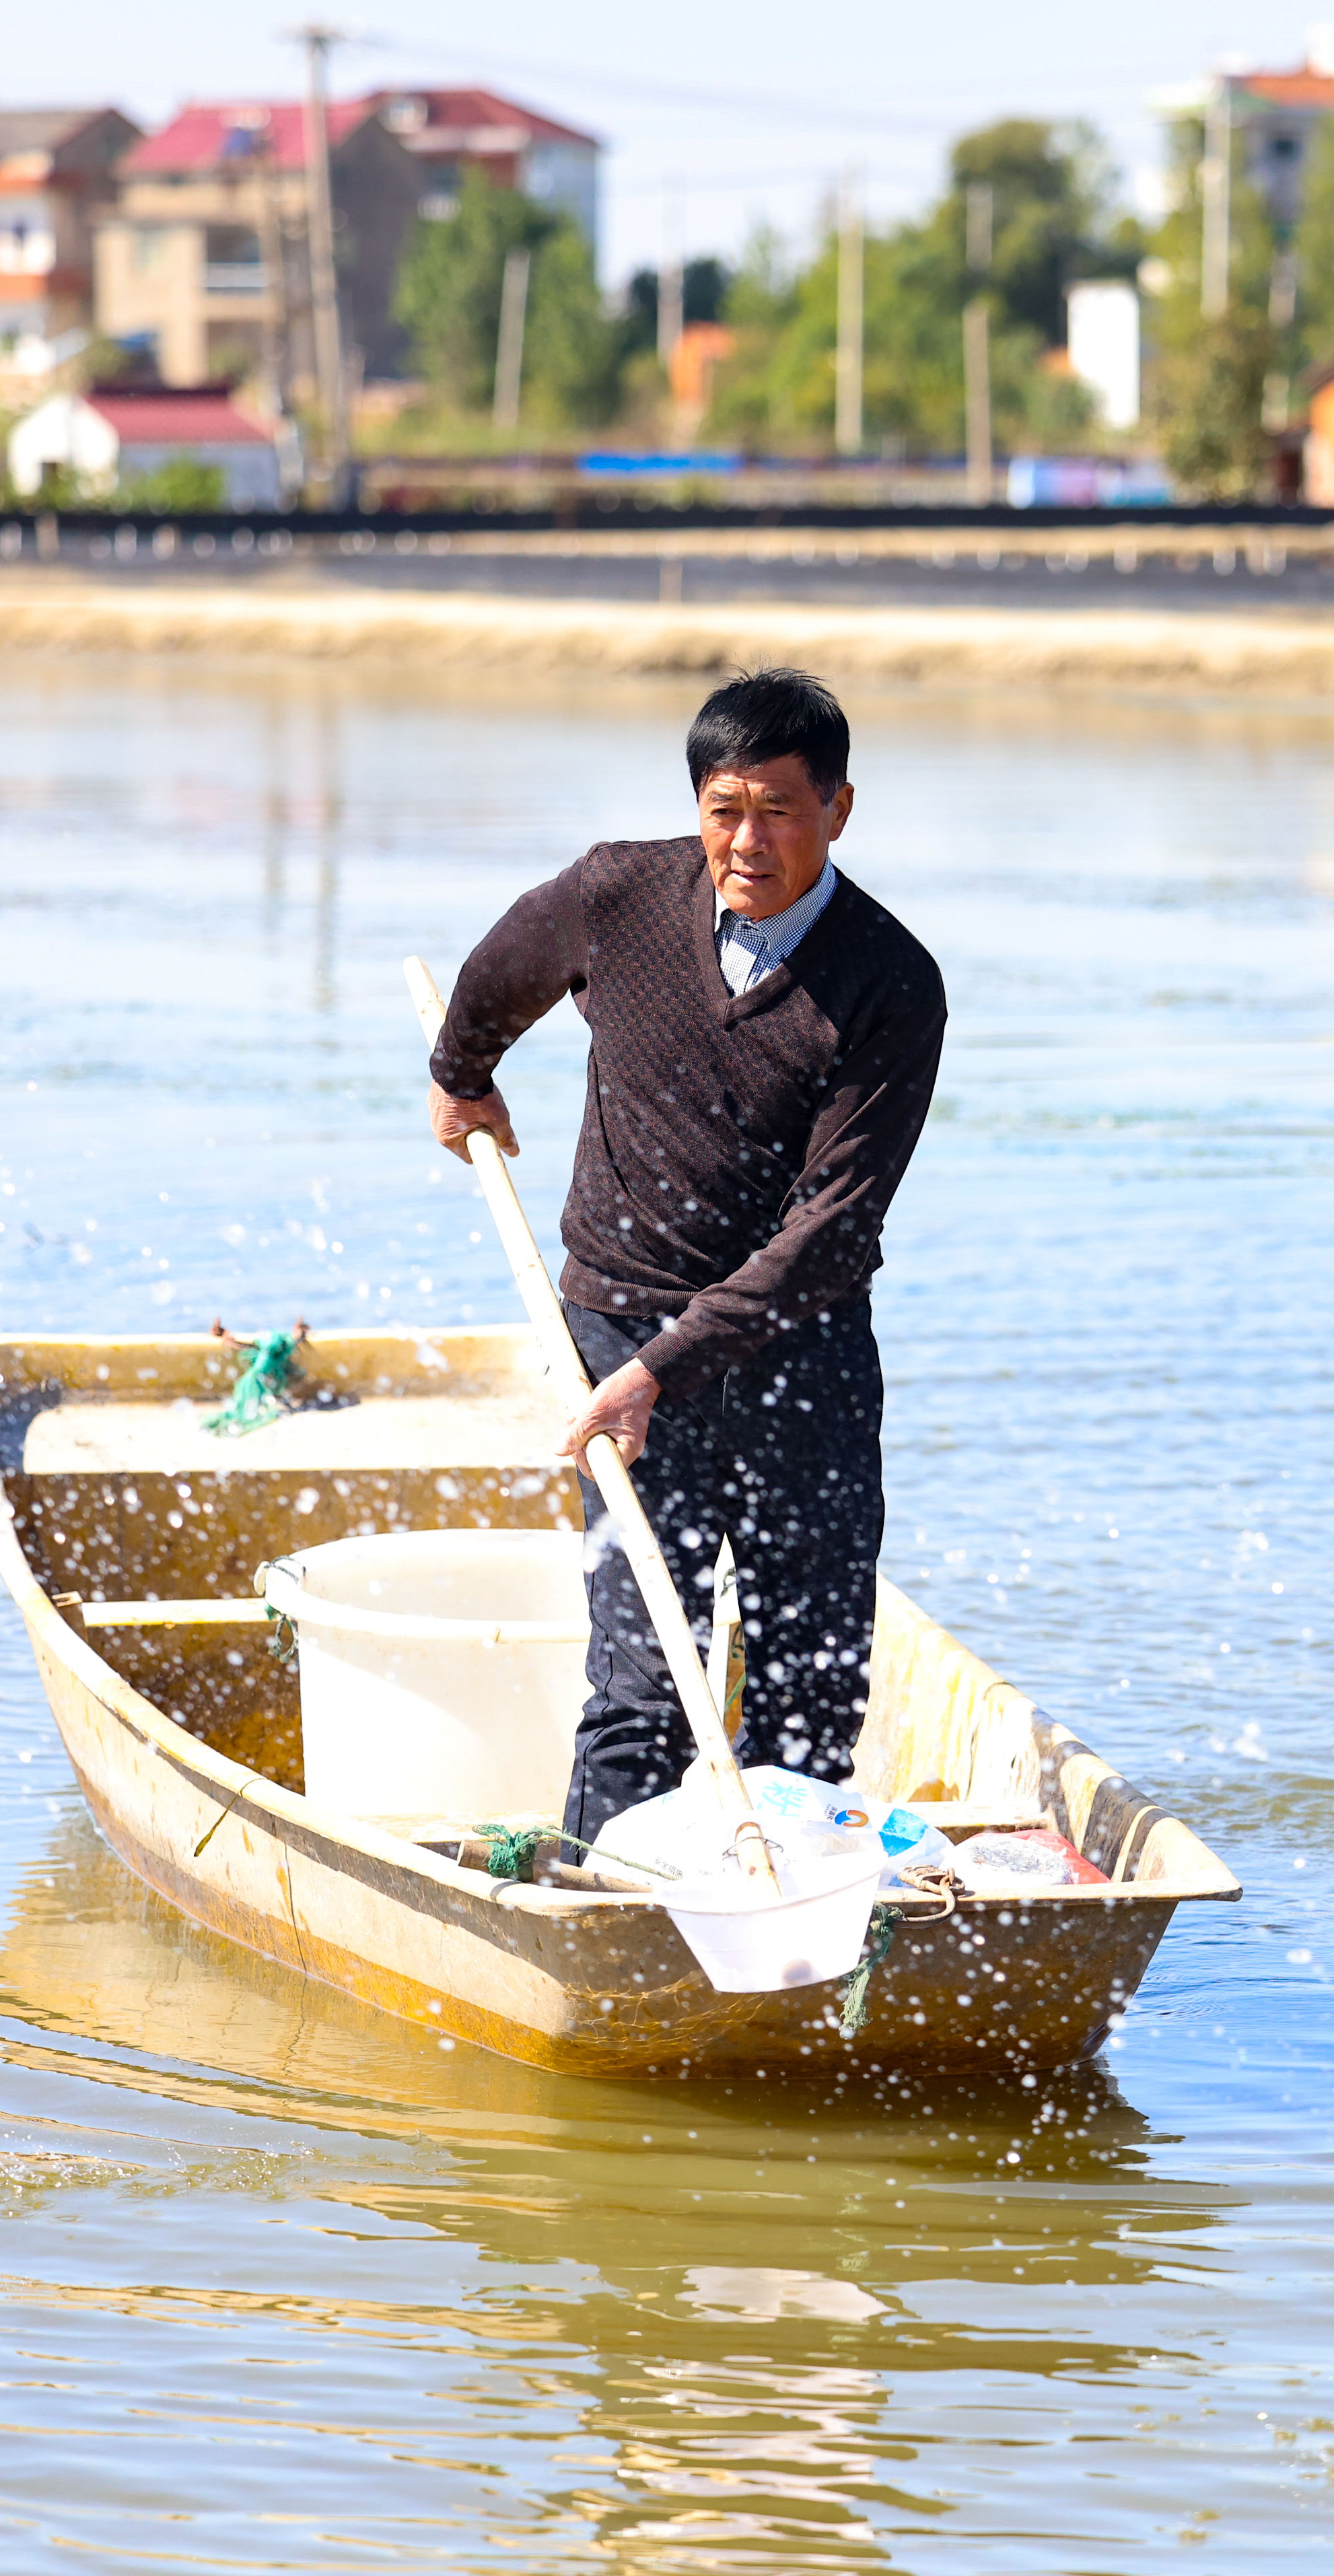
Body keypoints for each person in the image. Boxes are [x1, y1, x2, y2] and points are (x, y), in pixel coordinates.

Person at [426, 669, 946, 1839]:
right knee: (647, 1675)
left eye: (780, 811)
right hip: (615, 1327)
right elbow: (498, 975)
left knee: (811, 1684)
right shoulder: (617, 893)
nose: (747, 842)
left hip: (797, 1347)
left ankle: (780, 1911)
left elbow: (833, 1230)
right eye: (724, 810)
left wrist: (674, 1365)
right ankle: (607, 1912)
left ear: (841, 810)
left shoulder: (892, 982)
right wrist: (463, 1076)